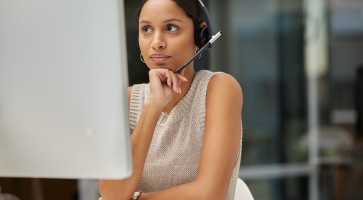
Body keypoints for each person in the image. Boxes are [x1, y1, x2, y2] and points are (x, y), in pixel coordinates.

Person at [98, 0, 243, 199]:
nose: (157, 42)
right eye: (147, 29)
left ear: (200, 36)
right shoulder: (128, 99)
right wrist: (154, 105)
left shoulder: (219, 89)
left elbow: (209, 194)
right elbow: (112, 194)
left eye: (171, 28)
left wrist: (135, 197)